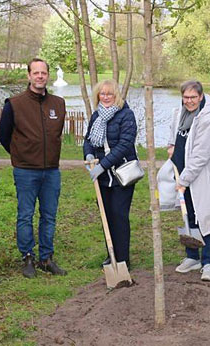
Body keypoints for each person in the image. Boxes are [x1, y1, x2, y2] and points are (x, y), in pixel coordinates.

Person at [0, 58, 68, 278]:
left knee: (49, 215)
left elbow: (56, 134)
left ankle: (46, 258)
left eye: (43, 73)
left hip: (51, 170)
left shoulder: (58, 104)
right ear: (28, 76)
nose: (40, 76)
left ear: (47, 76)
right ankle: (27, 256)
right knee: (25, 215)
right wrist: (21, 155)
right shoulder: (15, 104)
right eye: (35, 73)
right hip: (26, 170)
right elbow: (3, 135)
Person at [167, 80, 210, 281]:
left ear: (201, 97)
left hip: (202, 178)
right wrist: (170, 146)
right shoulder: (180, 114)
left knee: (206, 218)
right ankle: (192, 256)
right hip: (183, 174)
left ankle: (209, 262)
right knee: (189, 215)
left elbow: (201, 155)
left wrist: (184, 180)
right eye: (186, 97)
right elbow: (174, 136)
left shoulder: (208, 119)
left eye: (193, 97)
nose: (189, 101)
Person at [83, 80, 137, 268]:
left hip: (122, 174)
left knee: (119, 215)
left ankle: (123, 258)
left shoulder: (126, 115)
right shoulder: (96, 115)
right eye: (102, 94)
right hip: (103, 177)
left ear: (117, 96)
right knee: (106, 216)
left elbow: (124, 145)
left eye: (110, 94)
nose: (106, 97)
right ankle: (111, 254)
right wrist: (88, 154)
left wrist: (102, 165)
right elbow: (88, 139)